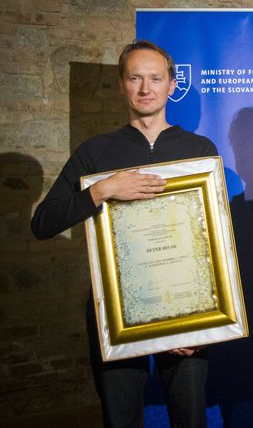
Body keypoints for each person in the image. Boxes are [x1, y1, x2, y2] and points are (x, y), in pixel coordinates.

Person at [31, 40, 216, 428]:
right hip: (116, 309)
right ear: (121, 84)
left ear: (171, 85)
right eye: (135, 78)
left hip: (187, 309)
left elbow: (213, 240)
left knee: (190, 417)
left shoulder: (199, 149)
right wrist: (101, 191)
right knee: (120, 418)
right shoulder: (95, 152)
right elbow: (43, 223)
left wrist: (206, 320)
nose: (145, 88)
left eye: (155, 79)